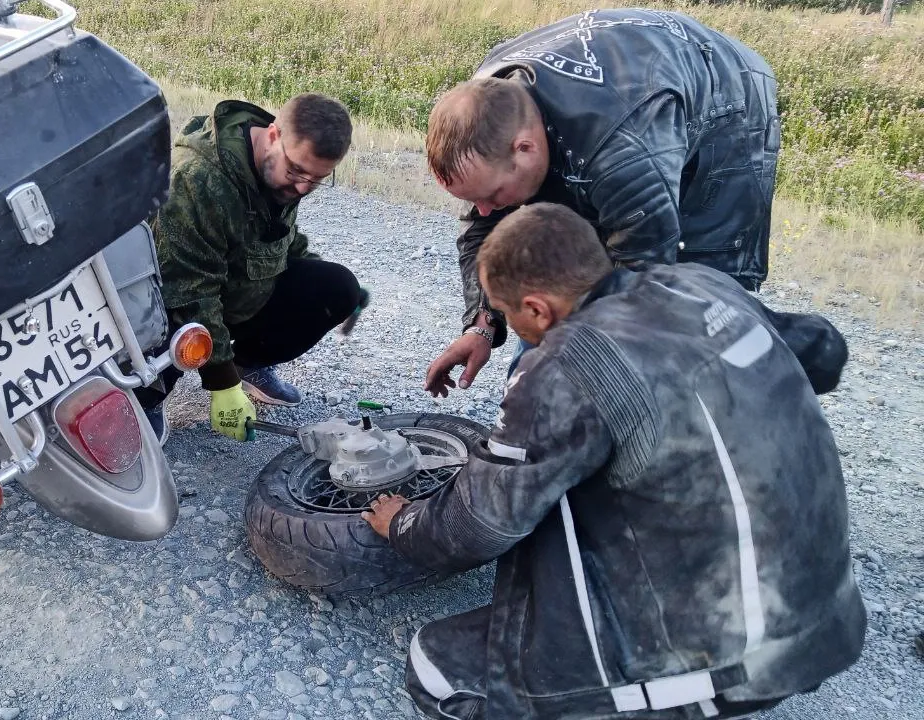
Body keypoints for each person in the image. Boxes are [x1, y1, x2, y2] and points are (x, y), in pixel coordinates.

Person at [364, 203, 865, 720]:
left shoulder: (568, 364)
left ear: (536, 309)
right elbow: (825, 352)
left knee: (436, 667)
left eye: (506, 313)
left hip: (736, 666)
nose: (511, 327)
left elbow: (479, 525)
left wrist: (402, 522)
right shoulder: (699, 285)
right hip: (831, 629)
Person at [422, 7, 781, 398]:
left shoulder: (624, 155)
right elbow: (483, 232)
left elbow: (642, 276)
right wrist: (481, 326)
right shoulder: (489, 105)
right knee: (558, 280)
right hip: (613, 107)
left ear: (525, 148)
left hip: (727, 103)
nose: (486, 209)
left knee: (693, 308)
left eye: (492, 196)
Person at [137, 93, 363, 444]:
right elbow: (188, 290)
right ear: (273, 135)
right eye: (297, 172)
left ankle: (248, 364)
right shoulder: (197, 179)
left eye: (317, 179)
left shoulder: (279, 170)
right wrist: (221, 383)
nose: (303, 187)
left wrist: (332, 290)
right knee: (167, 325)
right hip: (170, 302)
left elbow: (281, 238)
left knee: (337, 288)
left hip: (234, 293)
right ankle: (145, 398)